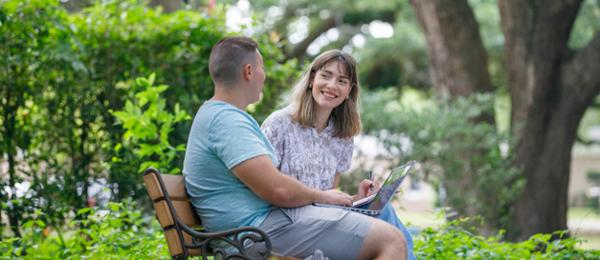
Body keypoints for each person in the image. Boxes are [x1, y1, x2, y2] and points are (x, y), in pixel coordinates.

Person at [182, 36, 407, 259]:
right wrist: (323, 196)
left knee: (384, 221)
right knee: (391, 240)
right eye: (262, 68)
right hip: (254, 233)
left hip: (263, 226)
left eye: (342, 80)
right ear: (249, 72)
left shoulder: (226, 117)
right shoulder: (226, 121)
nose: (264, 75)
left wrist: (351, 200)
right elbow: (276, 189)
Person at [261, 49, 416, 260]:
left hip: (325, 217)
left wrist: (358, 199)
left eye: (342, 81)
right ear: (311, 78)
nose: (332, 86)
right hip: (289, 221)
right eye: (326, 76)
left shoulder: (342, 135)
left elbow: (328, 196)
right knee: (389, 235)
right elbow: (265, 189)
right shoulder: (279, 123)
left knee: (384, 211)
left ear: (349, 90)